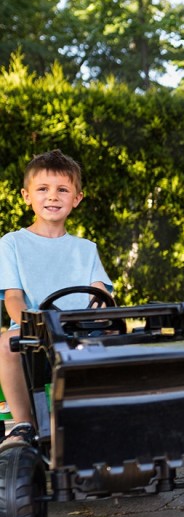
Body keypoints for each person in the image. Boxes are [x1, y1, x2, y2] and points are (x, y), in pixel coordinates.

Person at [0, 149, 113, 448]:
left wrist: (102, 316)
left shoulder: (86, 249)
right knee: (6, 344)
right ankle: (24, 424)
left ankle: (107, 419)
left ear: (76, 198)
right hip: (34, 333)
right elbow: (13, 298)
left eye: (62, 189)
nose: (53, 196)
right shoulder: (12, 244)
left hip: (80, 331)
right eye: (43, 189)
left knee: (117, 340)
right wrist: (32, 323)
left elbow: (100, 294)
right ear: (26, 196)